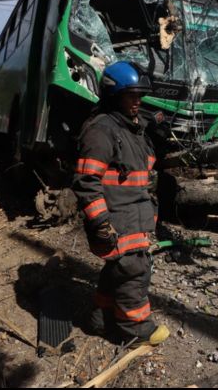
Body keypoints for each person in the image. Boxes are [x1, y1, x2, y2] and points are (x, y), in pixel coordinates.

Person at [72, 61, 169, 347]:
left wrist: (159, 135)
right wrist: (101, 222)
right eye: (131, 96)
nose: (138, 101)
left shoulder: (131, 128)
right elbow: (86, 181)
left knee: (117, 269)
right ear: (114, 96)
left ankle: (101, 319)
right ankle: (136, 328)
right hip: (116, 219)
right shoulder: (101, 130)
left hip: (133, 213)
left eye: (140, 95)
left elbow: (141, 168)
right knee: (133, 271)